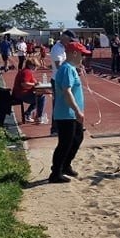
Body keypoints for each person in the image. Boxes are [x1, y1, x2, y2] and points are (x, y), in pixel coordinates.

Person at [49, 40, 90, 183]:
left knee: (77, 138)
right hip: (66, 114)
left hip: (71, 114)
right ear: (74, 53)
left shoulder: (71, 68)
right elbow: (67, 92)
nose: (83, 58)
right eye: (82, 54)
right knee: (65, 143)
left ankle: (65, 165)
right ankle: (56, 172)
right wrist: (77, 110)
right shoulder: (66, 69)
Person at [11, 55, 47, 124]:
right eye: (35, 66)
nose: (35, 68)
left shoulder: (25, 71)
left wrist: (35, 82)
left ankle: (27, 114)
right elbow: (24, 84)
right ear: (31, 65)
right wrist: (34, 84)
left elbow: (32, 81)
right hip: (21, 94)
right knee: (41, 98)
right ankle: (39, 117)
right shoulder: (27, 72)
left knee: (38, 96)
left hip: (18, 93)